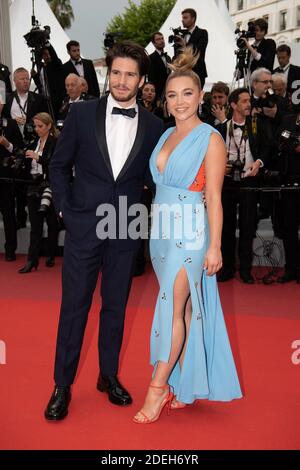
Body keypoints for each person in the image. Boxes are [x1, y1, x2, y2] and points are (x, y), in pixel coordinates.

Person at [45, 41, 163, 421]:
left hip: (126, 226)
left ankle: (107, 375)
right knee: (74, 306)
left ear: (142, 80)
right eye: (116, 72)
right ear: (106, 74)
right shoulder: (80, 115)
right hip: (83, 224)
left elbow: (153, 178)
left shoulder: (154, 126)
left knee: (116, 306)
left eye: (130, 74)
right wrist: (65, 210)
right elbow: (58, 167)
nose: (122, 80)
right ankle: (62, 385)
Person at [133, 48, 242, 424]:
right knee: (184, 308)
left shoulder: (210, 139)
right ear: (166, 99)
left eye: (188, 94)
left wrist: (214, 245)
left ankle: (158, 387)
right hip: (161, 230)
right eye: (173, 95)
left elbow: (214, 197)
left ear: (201, 96)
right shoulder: (165, 136)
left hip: (192, 233)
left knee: (170, 306)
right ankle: (187, 384)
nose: (180, 102)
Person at [18, 113, 59, 273]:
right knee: (35, 226)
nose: (37, 129)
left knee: (51, 224)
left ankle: (50, 254)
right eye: (35, 126)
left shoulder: (56, 142)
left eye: (40, 126)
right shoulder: (34, 142)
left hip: (49, 186)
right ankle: (31, 260)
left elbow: (57, 165)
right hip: (33, 186)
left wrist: (38, 158)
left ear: (49, 126)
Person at [175, 8, 208, 88]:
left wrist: (185, 45)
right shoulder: (181, 35)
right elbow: (177, 55)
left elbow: (199, 51)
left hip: (197, 72)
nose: (182, 20)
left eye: (185, 18)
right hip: (182, 74)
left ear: (193, 19)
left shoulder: (202, 33)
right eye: (182, 18)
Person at [148, 32, 171, 101]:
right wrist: (157, 97)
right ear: (153, 43)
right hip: (159, 95)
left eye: (162, 38)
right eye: (158, 39)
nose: (161, 41)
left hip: (169, 93)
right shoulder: (150, 58)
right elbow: (151, 79)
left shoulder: (168, 58)